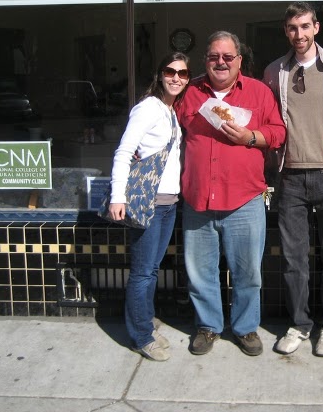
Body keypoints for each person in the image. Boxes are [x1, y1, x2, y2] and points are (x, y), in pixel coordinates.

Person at [176, 31, 286, 357]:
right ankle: (208, 326)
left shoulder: (259, 91)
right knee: (200, 273)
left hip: (244, 200)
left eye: (227, 57)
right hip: (198, 199)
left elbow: (278, 133)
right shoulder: (189, 91)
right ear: (205, 60)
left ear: (239, 60)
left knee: (248, 273)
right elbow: (164, 119)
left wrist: (250, 137)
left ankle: (245, 328)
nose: (220, 62)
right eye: (214, 57)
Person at [263, 2, 323, 357]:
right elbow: (267, 118)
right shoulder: (275, 71)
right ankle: (299, 324)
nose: (298, 34)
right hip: (290, 176)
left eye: (304, 26)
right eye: (292, 28)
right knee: (294, 258)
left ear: (316, 27)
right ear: (285, 31)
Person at [107, 52, 190, 361]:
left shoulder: (170, 110)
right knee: (143, 272)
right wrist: (118, 196)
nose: (176, 77)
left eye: (183, 73)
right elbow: (124, 151)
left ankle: (145, 322)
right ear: (160, 74)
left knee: (152, 269)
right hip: (149, 203)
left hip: (169, 202)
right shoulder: (148, 108)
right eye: (170, 71)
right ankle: (141, 336)